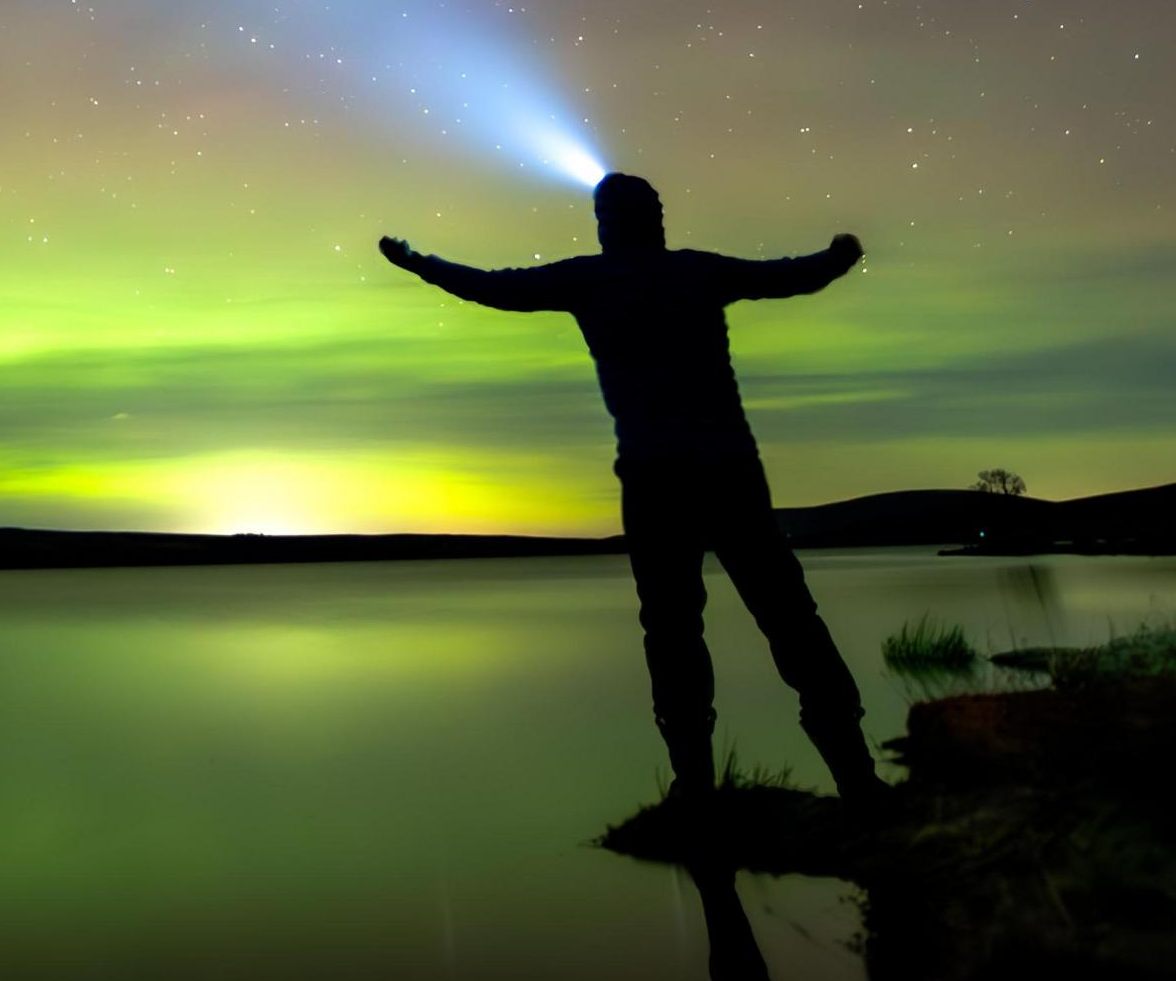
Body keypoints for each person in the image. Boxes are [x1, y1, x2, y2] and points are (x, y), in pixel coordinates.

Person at [378, 171, 885, 805]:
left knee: (674, 629)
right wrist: (841, 255)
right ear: (656, 219)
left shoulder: (589, 279)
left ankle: (698, 788)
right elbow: (788, 276)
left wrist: (416, 263)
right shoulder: (695, 272)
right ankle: (856, 780)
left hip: (654, 477)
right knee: (784, 612)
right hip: (724, 468)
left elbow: (489, 288)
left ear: (605, 225)